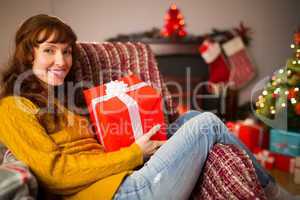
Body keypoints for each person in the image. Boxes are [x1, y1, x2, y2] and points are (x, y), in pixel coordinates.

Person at [0, 14, 297, 200]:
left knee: (192, 116)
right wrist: (135, 154)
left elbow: (102, 144)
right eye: (49, 51)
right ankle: (276, 194)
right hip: (121, 193)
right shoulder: (13, 107)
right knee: (206, 122)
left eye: (66, 52)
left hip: (124, 178)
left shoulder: (62, 98)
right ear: (28, 55)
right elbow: (56, 172)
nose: (62, 61)